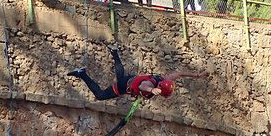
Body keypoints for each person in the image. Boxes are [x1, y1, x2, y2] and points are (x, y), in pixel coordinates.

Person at [68, 47, 205, 101]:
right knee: (100, 95)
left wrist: (196, 75)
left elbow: (179, 74)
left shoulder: (163, 79)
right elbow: (142, 87)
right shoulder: (151, 84)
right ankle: (83, 74)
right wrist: (151, 90)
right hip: (125, 86)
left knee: (121, 76)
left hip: (130, 79)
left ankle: (115, 54)